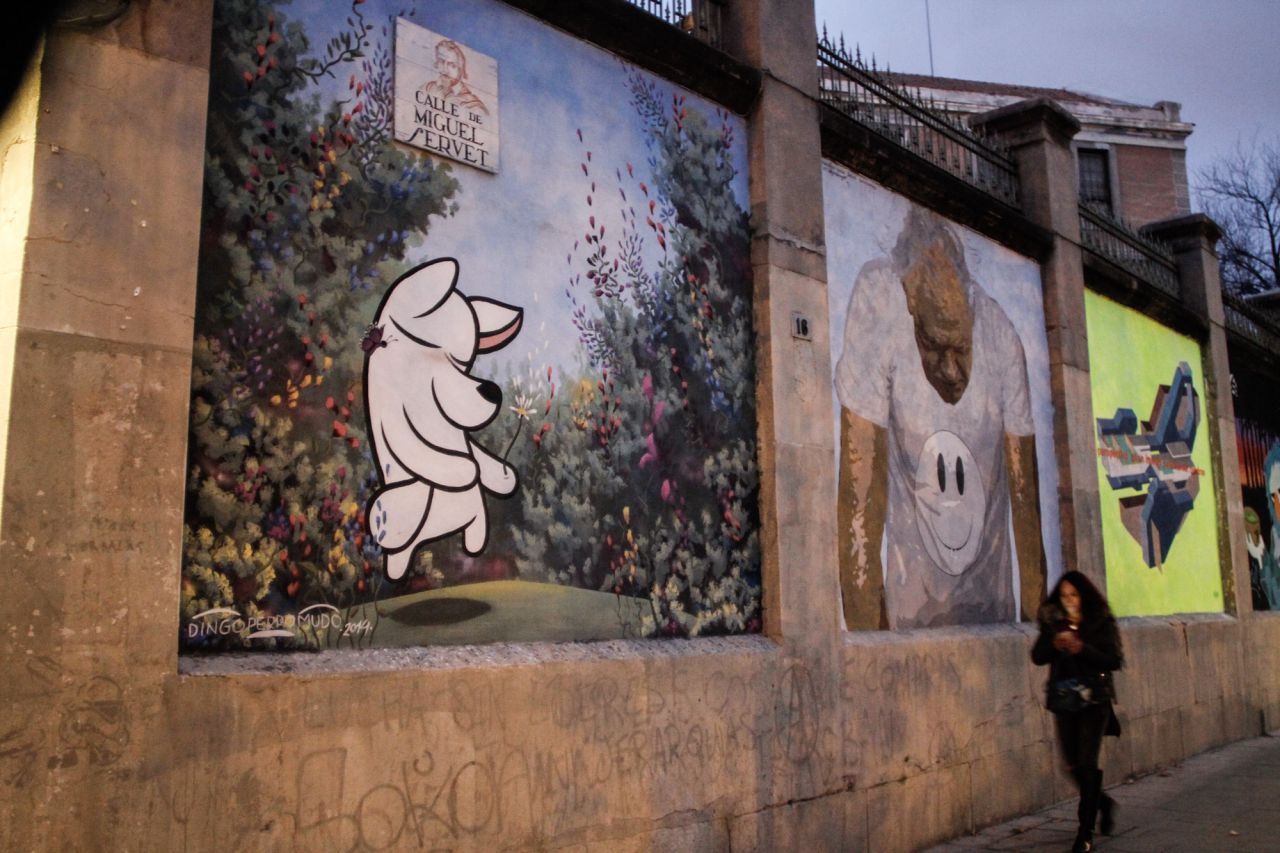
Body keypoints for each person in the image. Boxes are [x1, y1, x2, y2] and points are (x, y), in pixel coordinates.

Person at [835, 206, 1046, 629]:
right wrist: (871, 652)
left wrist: (1035, 633)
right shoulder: (880, 300)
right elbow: (859, 504)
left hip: (994, 618)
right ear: (910, 306)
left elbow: (1028, 513)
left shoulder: (1001, 336)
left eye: (960, 349)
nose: (950, 371)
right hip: (907, 615)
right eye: (932, 345)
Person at [1031, 571, 1124, 853]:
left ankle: (1085, 832)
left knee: (1086, 762)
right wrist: (1055, 643)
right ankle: (1104, 803)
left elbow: (1113, 659)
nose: (1069, 601)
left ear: (1083, 596)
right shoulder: (1054, 622)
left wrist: (1082, 648)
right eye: (1064, 595)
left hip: (1094, 701)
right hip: (1064, 700)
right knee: (1071, 765)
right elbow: (1037, 657)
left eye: (1073, 595)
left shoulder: (1100, 621)